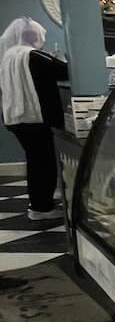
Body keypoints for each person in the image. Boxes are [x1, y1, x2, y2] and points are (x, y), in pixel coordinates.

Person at [0, 17, 69, 221]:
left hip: (15, 118)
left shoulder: (8, 55)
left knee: (35, 161)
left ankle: (40, 202)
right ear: (32, 36)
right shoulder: (33, 56)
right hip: (36, 119)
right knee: (44, 163)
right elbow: (64, 71)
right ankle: (41, 208)